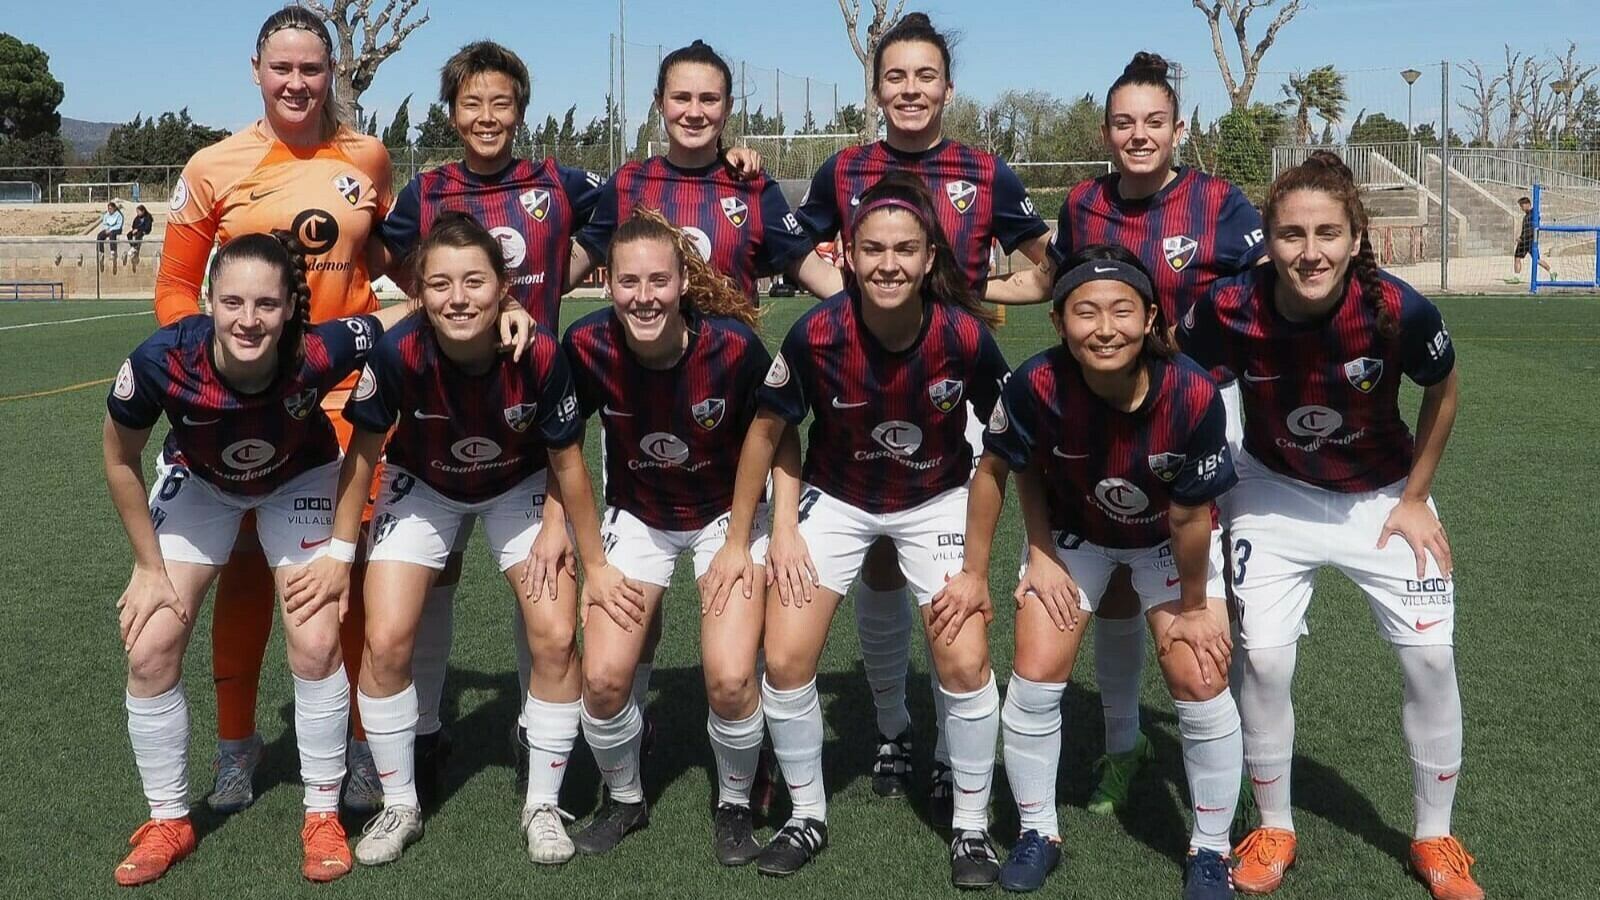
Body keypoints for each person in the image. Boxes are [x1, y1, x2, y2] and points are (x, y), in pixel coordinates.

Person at [287, 212, 638, 867]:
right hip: (422, 482)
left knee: (557, 636)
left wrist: (594, 564)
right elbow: (362, 455)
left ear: (504, 286)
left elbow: (569, 463)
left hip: (518, 483)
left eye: (474, 282)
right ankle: (401, 805)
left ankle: (542, 803)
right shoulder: (399, 353)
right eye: (441, 284)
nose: (458, 298)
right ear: (418, 292)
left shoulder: (535, 351)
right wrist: (339, 555)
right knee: (387, 638)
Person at [1179, 151, 1478, 900]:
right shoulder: (1228, 307)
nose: (1309, 252)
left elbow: (1443, 392)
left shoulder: (1398, 309)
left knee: (1431, 661)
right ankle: (1275, 825)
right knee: (1268, 661)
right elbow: (1183, 387)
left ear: (1355, 237)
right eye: (1290, 234)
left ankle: (1434, 837)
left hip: (1381, 497)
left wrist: (1416, 496)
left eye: (1327, 233)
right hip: (1272, 492)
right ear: (1268, 239)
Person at [704, 172, 1009, 884]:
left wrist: (977, 566)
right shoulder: (816, 332)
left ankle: (970, 828)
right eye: (872, 249)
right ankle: (807, 815)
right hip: (836, 498)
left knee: (964, 661)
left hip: (935, 498)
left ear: (931, 256)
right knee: (784, 659)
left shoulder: (964, 335)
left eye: (905, 249)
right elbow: (766, 431)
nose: (889, 264)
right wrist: (751, 534)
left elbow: (1004, 449)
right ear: (845, 253)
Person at [988, 51, 1266, 818]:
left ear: (1178, 128)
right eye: (1123, 123)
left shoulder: (1220, 202)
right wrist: (958, 286)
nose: (1138, 135)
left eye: (1153, 122)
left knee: (1218, 596)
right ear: (1107, 131)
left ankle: (1229, 762)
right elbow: (1056, 284)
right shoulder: (1082, 205)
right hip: (1109, 408)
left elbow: (1263, 291)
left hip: (1205, 412)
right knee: (1112, 587)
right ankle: (1124, 746)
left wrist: (1207, 347)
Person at [791, 11, 1050, 815]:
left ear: (947, 86)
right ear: (876, 89)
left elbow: (1045, 271)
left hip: (952, 387)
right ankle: (894, 726)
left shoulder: (986, 170)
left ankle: (949, 748)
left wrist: (974, 298)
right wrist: (855, 299)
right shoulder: (844, 169)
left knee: (948, 583)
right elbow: (793, 247)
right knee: (872, 560)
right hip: (862, 390)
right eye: (895, 76)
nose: (910, 89)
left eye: (924, 76)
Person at [104, 231, 418, 886]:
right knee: (152, 644)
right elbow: (119, 458)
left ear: (289, 309)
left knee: (315, 642)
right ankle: (169, 819)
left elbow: (392, 317)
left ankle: (322, 812)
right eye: (234, 302)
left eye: (267, 305)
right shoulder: (161, 361)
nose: (249, 319)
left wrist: (475, 300)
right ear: (209, 300)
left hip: (299, 481)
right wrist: (145, 565)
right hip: (200, 482)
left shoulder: (316, 351)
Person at [153, 4, 401, 817]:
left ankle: (360, 750)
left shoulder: (367, 155)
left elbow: (388, 258)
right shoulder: (214, 166)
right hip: (241, 409)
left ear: (334, 74)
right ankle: (236, 748)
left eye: (313, 68)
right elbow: (173, 290)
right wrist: (212, 383)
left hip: (341, 403)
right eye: (282, 68)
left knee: (343, 576)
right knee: (248, 569)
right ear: (256, 72)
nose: (298, 82)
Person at [941, 244, 1242, 897]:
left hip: (1167, 540)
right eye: (1085, 312)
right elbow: (994, 472)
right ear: (1058, 322)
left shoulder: (1192, 393)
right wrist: (995, 566)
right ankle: (1036, 830)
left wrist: (1194, 606)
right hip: (1078, 537)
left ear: (1151, 317)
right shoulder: (1035, 384)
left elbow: (1192, 519)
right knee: (1036, 669)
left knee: (1197, 670)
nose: (1105, 328)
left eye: (1121, 311)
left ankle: (1212, 848)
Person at [378, 38, 611, 805]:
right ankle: (427, 727)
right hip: (440, 418)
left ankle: (530, 731)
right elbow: (389, 257)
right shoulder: (428, 189)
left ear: (520, 109)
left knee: (540, 585)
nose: (486, 116)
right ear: (451, 112)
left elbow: (621, 210)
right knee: (434, 578)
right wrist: (424, 304)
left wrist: (546, 293)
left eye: (501, 102)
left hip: (526, 408)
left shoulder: (558, 181)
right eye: (471, 103)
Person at [562, 208, 777, 865]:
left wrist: (741, 543)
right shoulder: (587, 344)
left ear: (683, 281)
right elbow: (563, 448)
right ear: (606, 283)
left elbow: (771, 438)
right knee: (600, 680)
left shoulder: (733, 347)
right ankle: (624, 799)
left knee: (733, 678)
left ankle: (736, 802)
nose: (644, 296)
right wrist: (592, 564)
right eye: (629, 281)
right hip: (641, 516)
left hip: (725, 516)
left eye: (659, 280)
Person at [1508, 195, 1555, 283]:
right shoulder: (1528, 215)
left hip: (1529, 241)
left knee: (1530, 259)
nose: (1521, 208)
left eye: (1522, 206)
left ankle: (1552, 272)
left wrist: (1521, 238)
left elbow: (1531, 229)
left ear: (1527, 204)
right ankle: (1517, 277)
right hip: (1527, 240)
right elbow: (1527, 229)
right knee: (1524, 258)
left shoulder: (1533, 214)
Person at [99, 201, 125, 271]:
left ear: (114, 208)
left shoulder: (118, 215)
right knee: (100, 235)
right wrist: (106, 229)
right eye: (108, 209)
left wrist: (111, 229)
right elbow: (104, 223)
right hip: (108, 229)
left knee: (112, 235)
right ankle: (101, 252)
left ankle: (113, 251)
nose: (109, 210)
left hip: (116, 229)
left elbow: (119, 225)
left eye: (111, 209)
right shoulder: (106, 215)